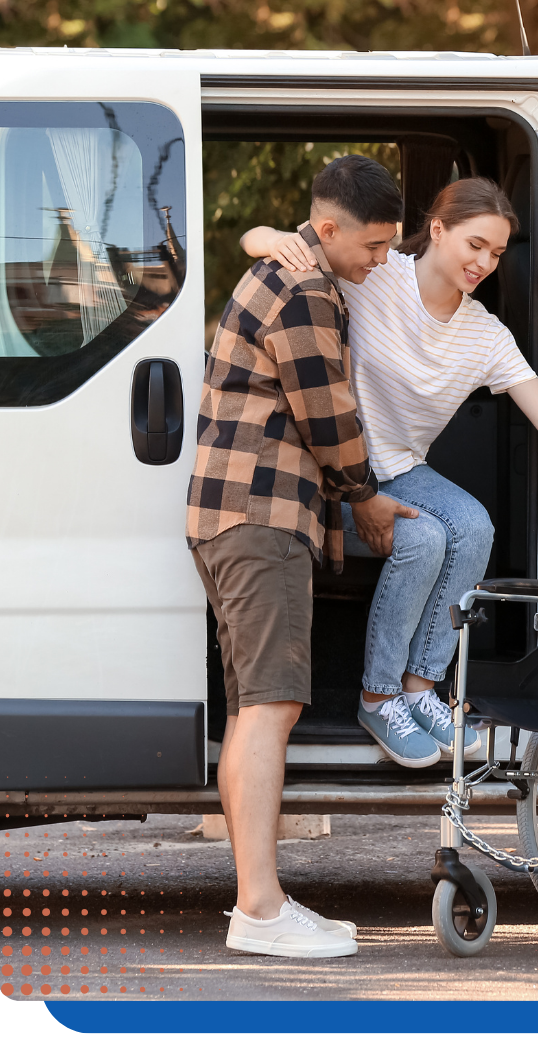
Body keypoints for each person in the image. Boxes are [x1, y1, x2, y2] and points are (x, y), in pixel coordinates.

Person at [241, 175, 538, 769]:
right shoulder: (376, 275)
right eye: (475, 245)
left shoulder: (484, 334)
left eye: (496, 253)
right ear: (439, 229)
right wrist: (268, 236)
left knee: (473, 526)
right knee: (422, 539)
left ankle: (421, 688)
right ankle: (378, 696)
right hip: (332, 472)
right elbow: (274, 241)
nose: (484, 263)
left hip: (399, 469)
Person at [187, 155, 410, 957]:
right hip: (263, 515)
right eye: (375, 245)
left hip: (234, 515)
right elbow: (329, 416)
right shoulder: (305, 289)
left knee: (255, 710)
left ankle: (265, 899)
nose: (380, 259)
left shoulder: (287, 271)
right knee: (271, 709)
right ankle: (258, 912)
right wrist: (366, 496)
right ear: (327, 230)